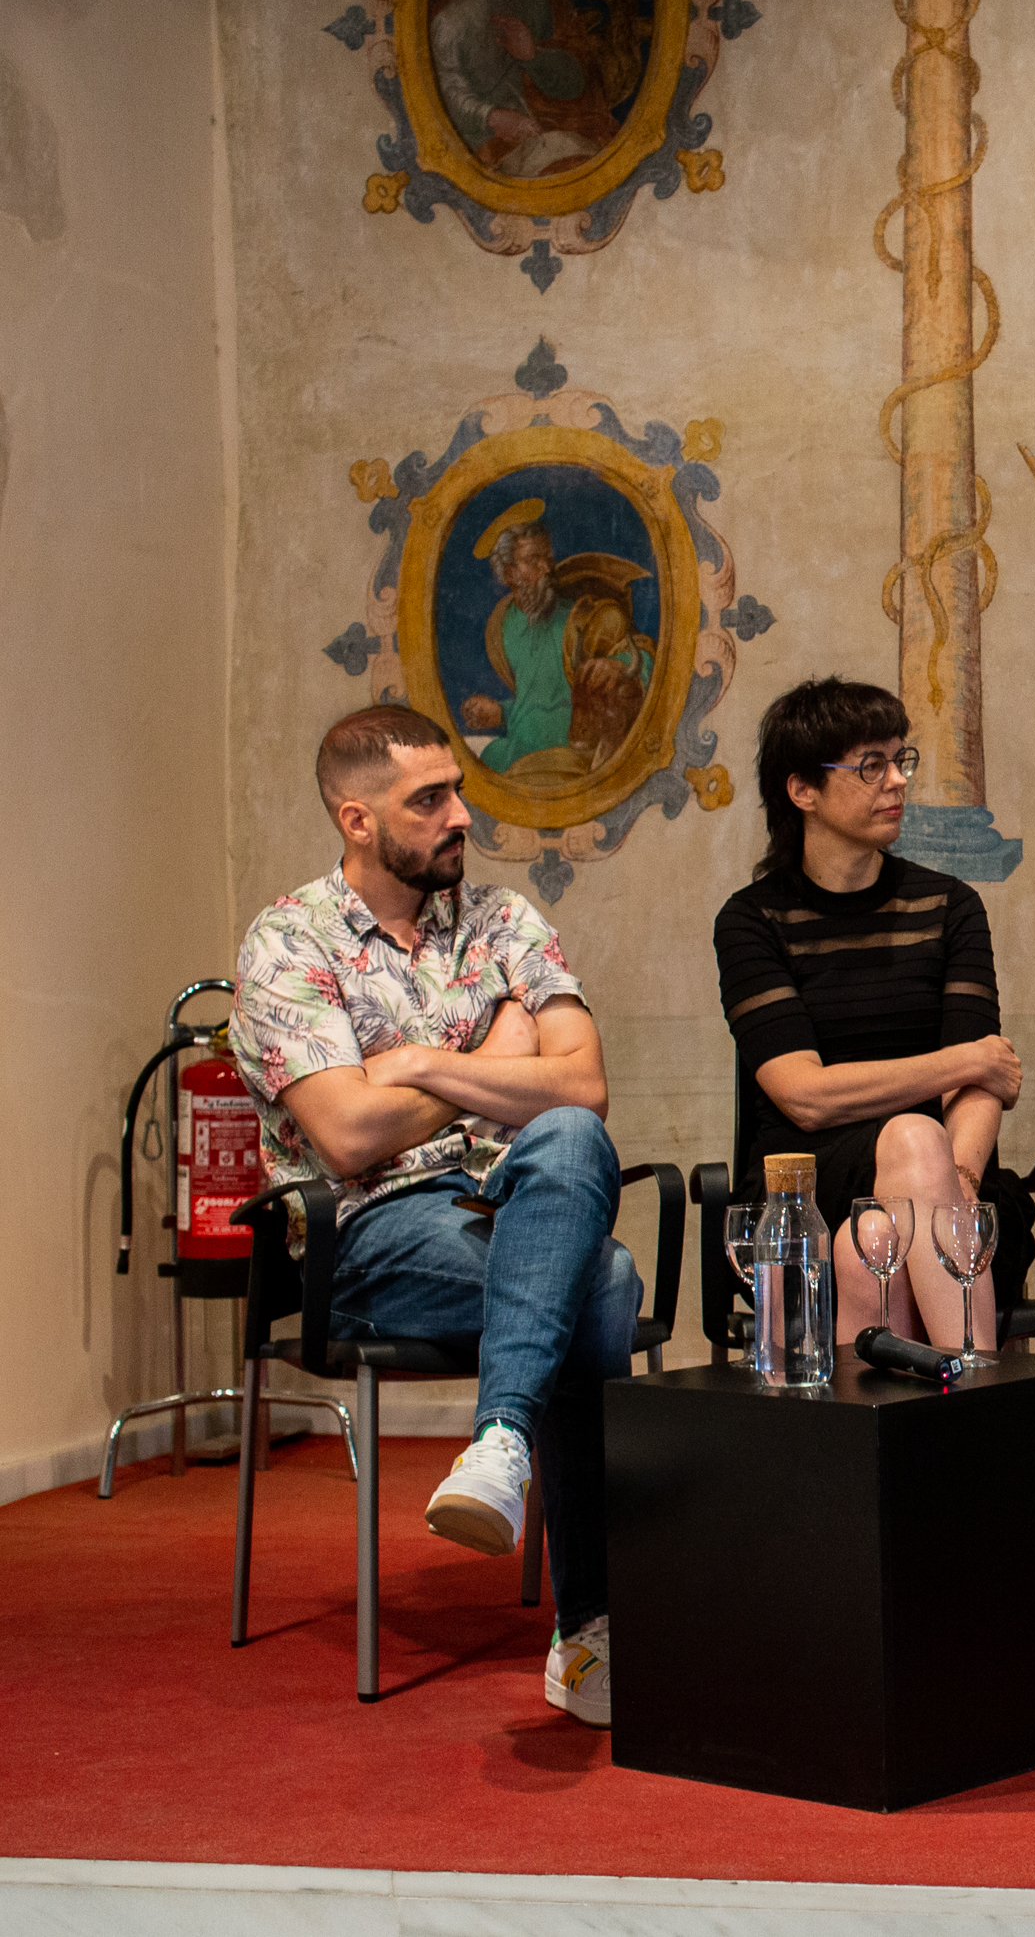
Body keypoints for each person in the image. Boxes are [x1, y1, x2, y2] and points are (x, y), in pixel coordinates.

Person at [231, 704, 638, 1728]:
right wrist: (494, 1060)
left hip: (515, 1199)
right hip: (370, 1230)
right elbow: (348, 1136)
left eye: (457, 789)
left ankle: (498, 1443)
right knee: (605, 1284)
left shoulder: (505, 921)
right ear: (357, 819)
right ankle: (590, 1626)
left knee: (569, 1136)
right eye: (430, 799)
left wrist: (415, 1064)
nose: (461, 814)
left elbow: (582, 1086)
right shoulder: (289, 941)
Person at [712, 678, 1027, 1352]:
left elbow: (979, 1093)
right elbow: (805, 1097)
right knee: (909, 1141)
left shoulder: (950, 906)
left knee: (876, 1236)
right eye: (870, 765)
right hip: (804, 1184)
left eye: (900, 760)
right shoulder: (752, 921)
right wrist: (965, 1059)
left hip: (950, 1175)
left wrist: (954, 1186)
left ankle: (900, 1416)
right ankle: (975, 1383)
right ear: (803, 789)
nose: (897, 781)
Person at [429, 0, 624, 178]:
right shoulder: (453, 19)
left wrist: (533, 56)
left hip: (543, 133)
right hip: (489, 149)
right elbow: (447, 91)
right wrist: (491, 116)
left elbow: (572, 83)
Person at [457, 501, 654, 782]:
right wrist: (500, 713)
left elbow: (642, 654)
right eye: (533, 561)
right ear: (510, 573)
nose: (547, 568)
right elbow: (537, 706)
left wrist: (616, 666)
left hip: (571, 757)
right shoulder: (502, 627)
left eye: (548, 557)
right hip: (516, 753)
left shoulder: (583, 618)